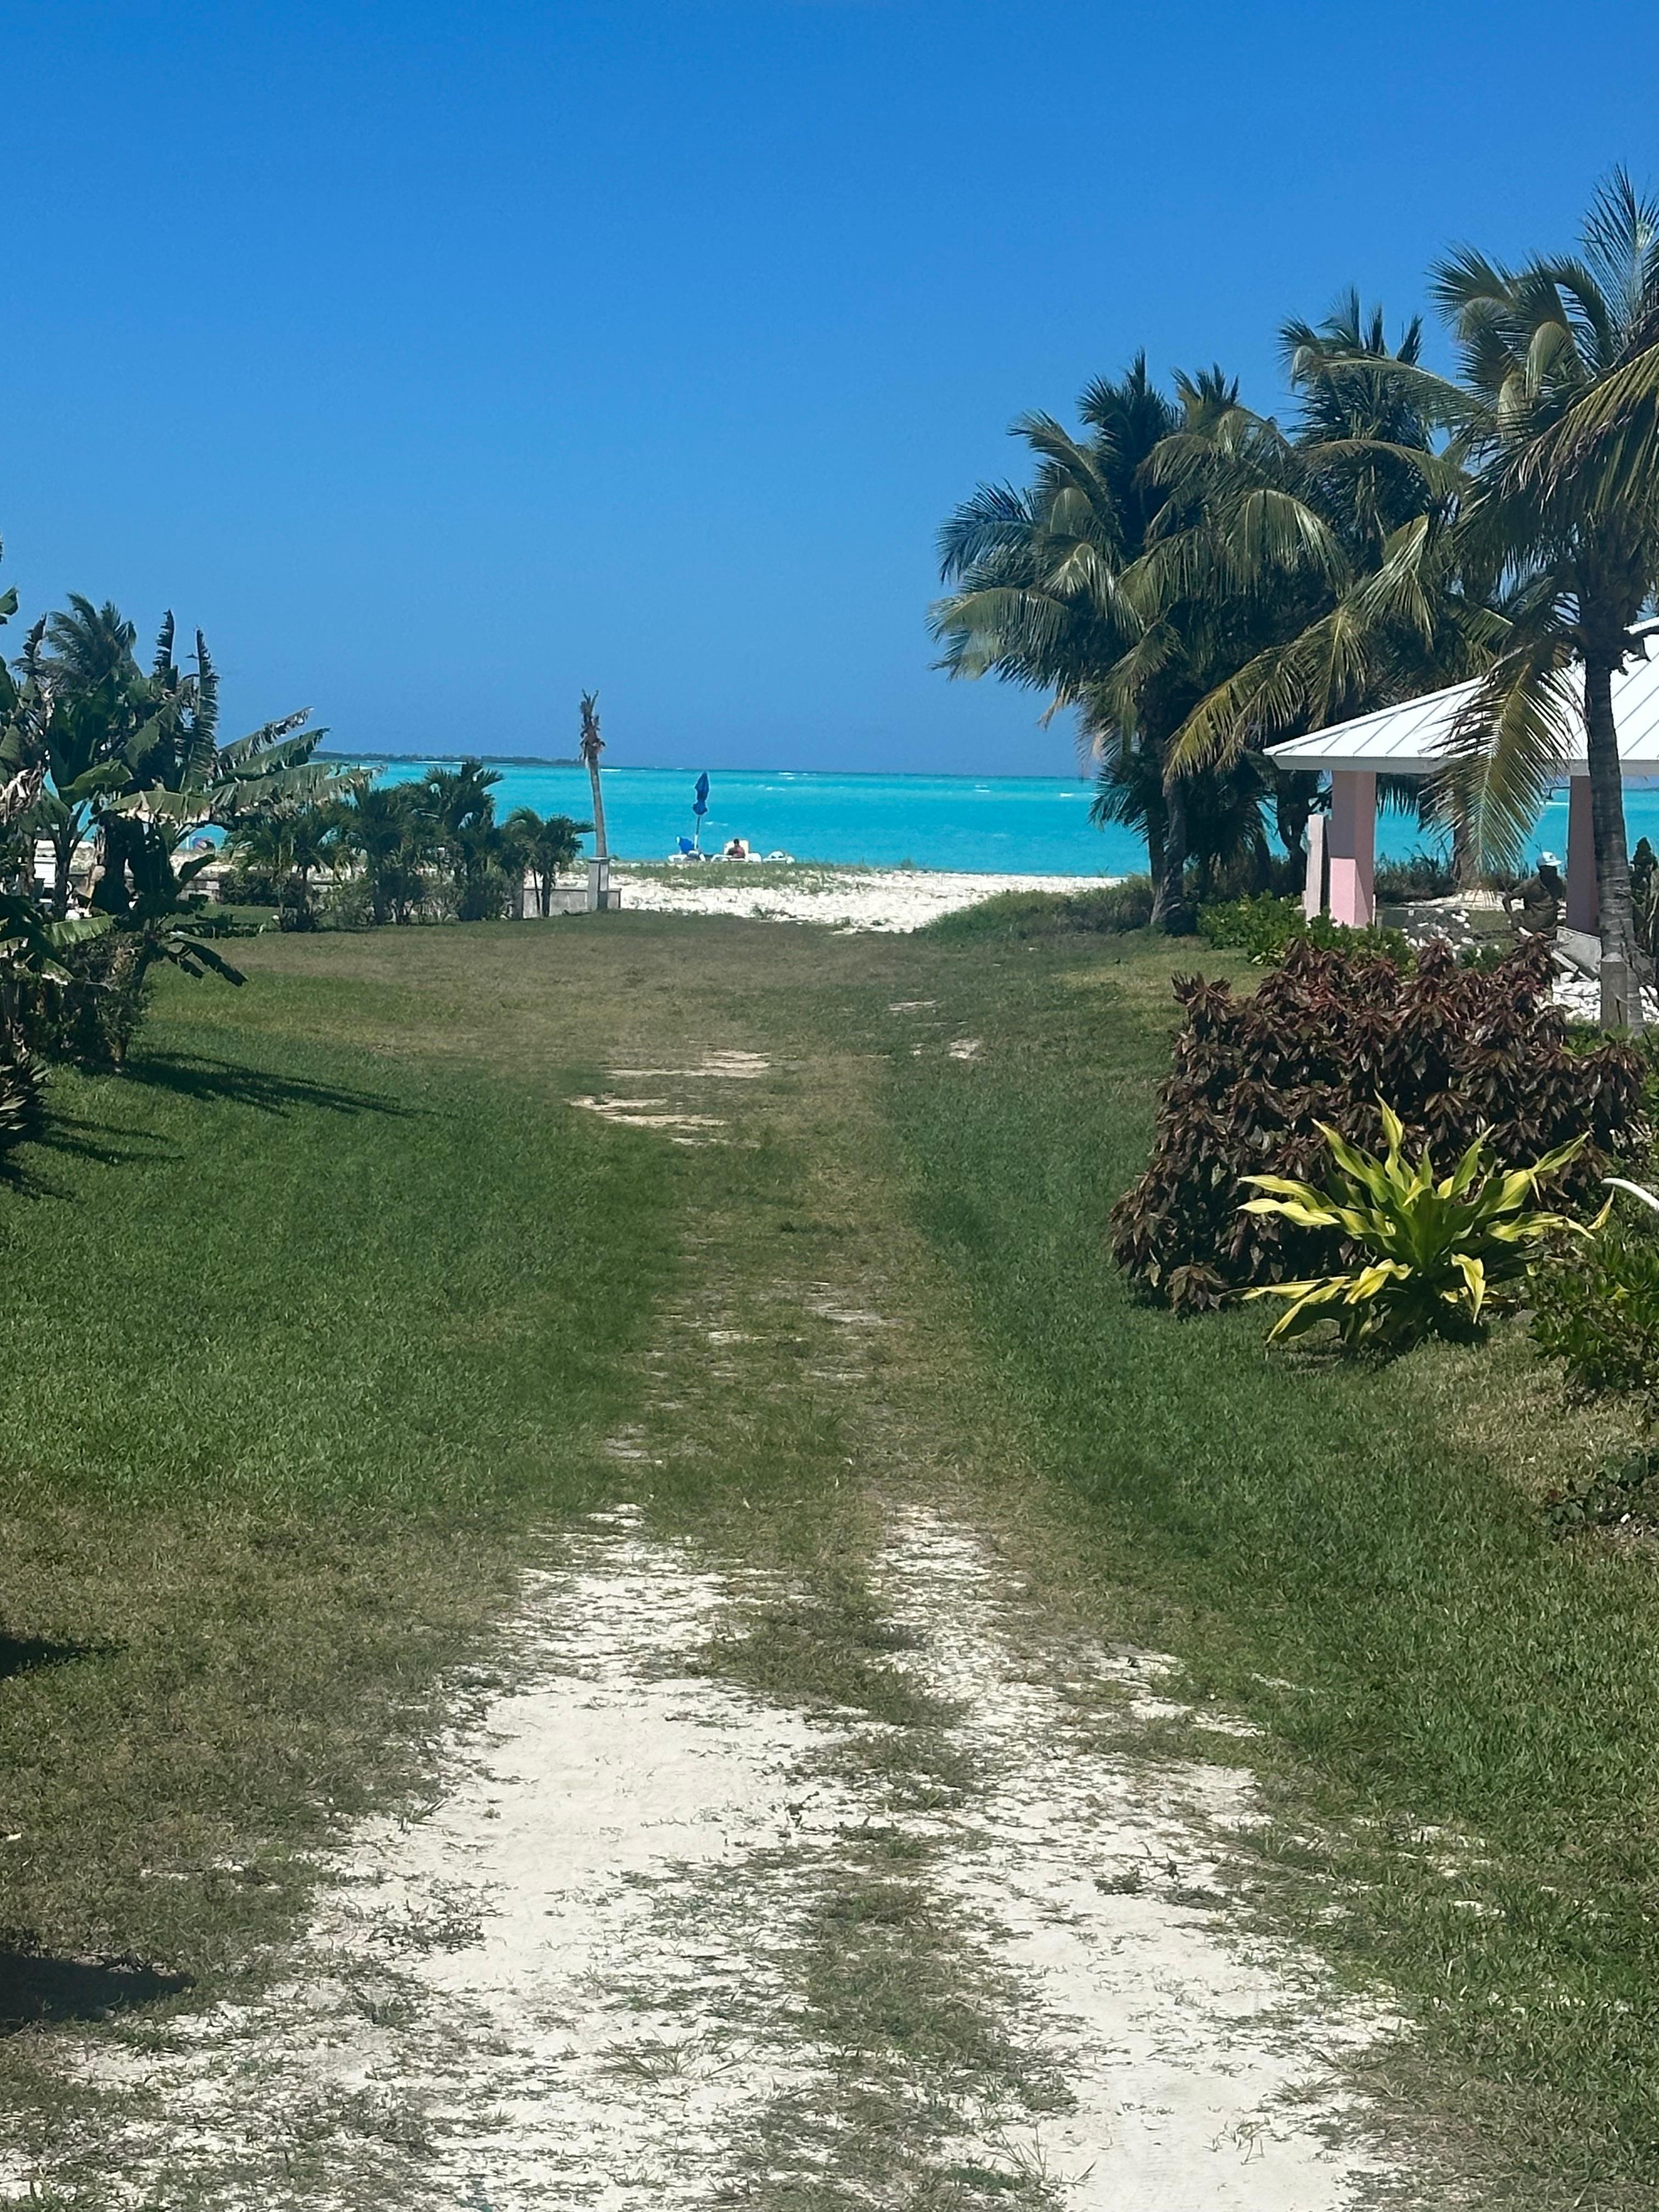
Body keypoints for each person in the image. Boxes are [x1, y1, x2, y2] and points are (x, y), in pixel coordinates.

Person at [1504, 852, 1565, 936]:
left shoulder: (1558, 883)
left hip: (1551, 927)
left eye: (1554, 867)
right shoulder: (1530, 885)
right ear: (1542, 869)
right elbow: (1507, 900)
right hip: (1532, 926)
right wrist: (1513, 917)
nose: (1554, 870)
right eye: (1550, 868)